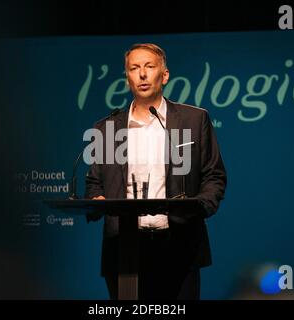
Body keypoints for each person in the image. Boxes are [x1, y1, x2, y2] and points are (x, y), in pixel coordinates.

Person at [85, 43, 227, 300]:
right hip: (123, 246)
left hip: (179, 243)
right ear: (127, 76)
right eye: (134, 68)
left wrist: (198, 207)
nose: (142, 74)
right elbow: (94, 182)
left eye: (149, 67)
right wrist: (97, 200)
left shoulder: (193, 120)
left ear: (164, 75)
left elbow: (213, 175)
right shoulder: (107, 127)